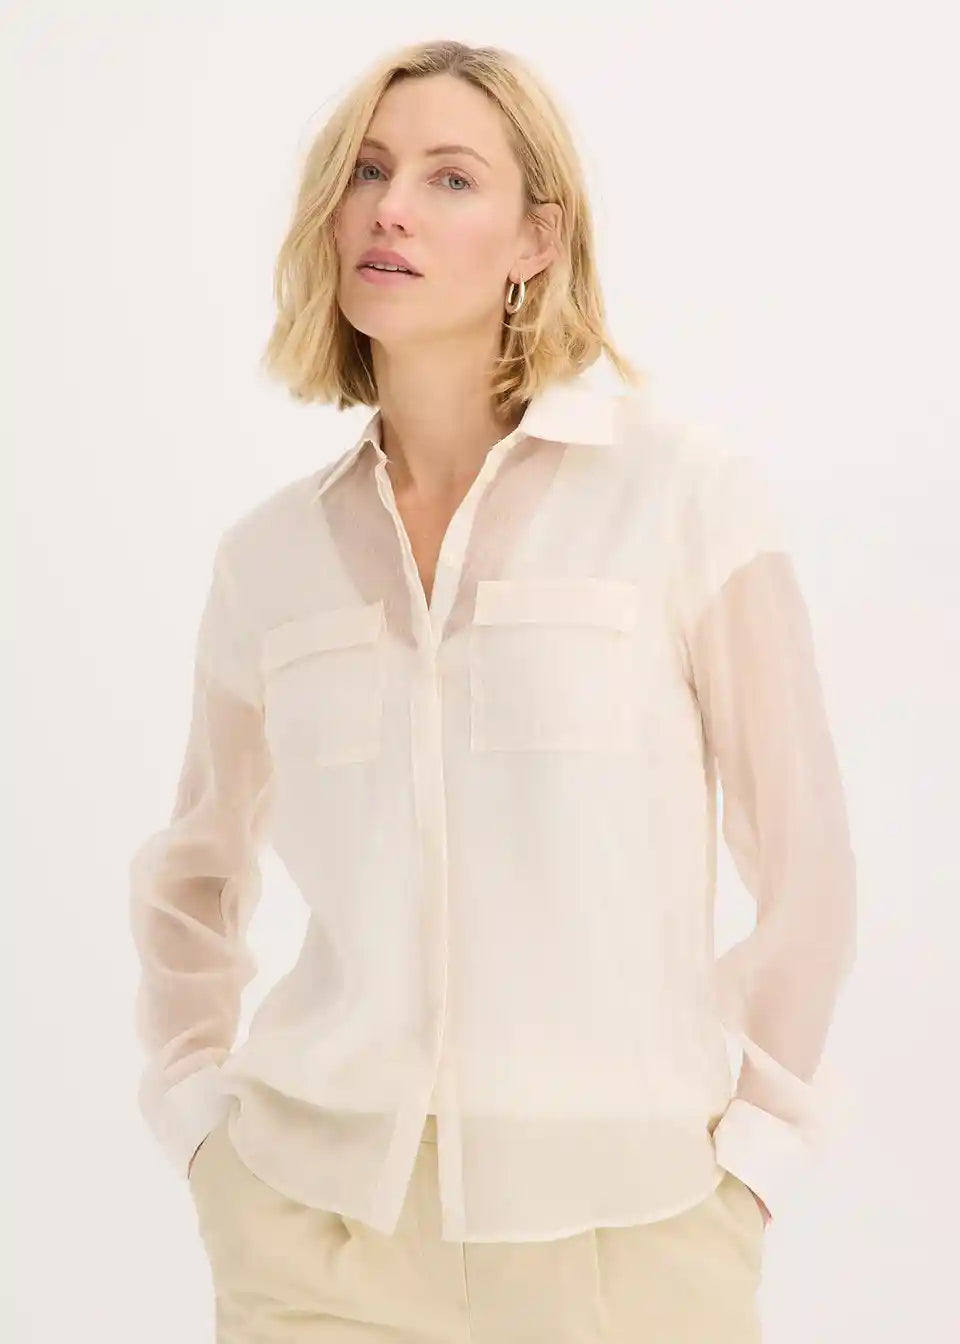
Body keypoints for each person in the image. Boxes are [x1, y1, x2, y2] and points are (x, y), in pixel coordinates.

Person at [128, 37, 857, 1344]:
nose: (390, 209)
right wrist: (202, 1133)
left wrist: (752, 1167)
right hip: (315, 1240)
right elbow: (194, 873)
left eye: (449, 177)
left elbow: (806, 864)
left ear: (537, 238)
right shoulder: (269, 560)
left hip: (633, 1243)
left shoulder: (682, 498)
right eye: (366, 172)